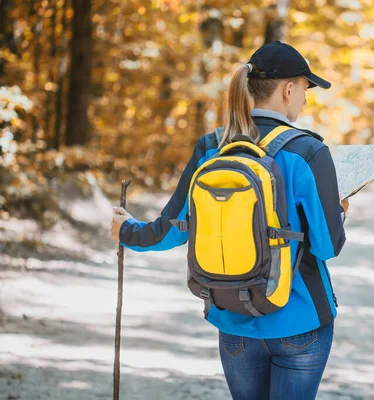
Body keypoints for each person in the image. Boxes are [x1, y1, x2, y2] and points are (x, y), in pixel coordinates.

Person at [111, 41, 348, 400]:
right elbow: (329, 246)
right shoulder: (309, 151)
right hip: (300, 321)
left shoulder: (212, 146)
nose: (305, 98)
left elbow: (171, 230)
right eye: (304, 88)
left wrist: (126, 230)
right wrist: (341, 211)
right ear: (288, 89)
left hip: (234, 317)